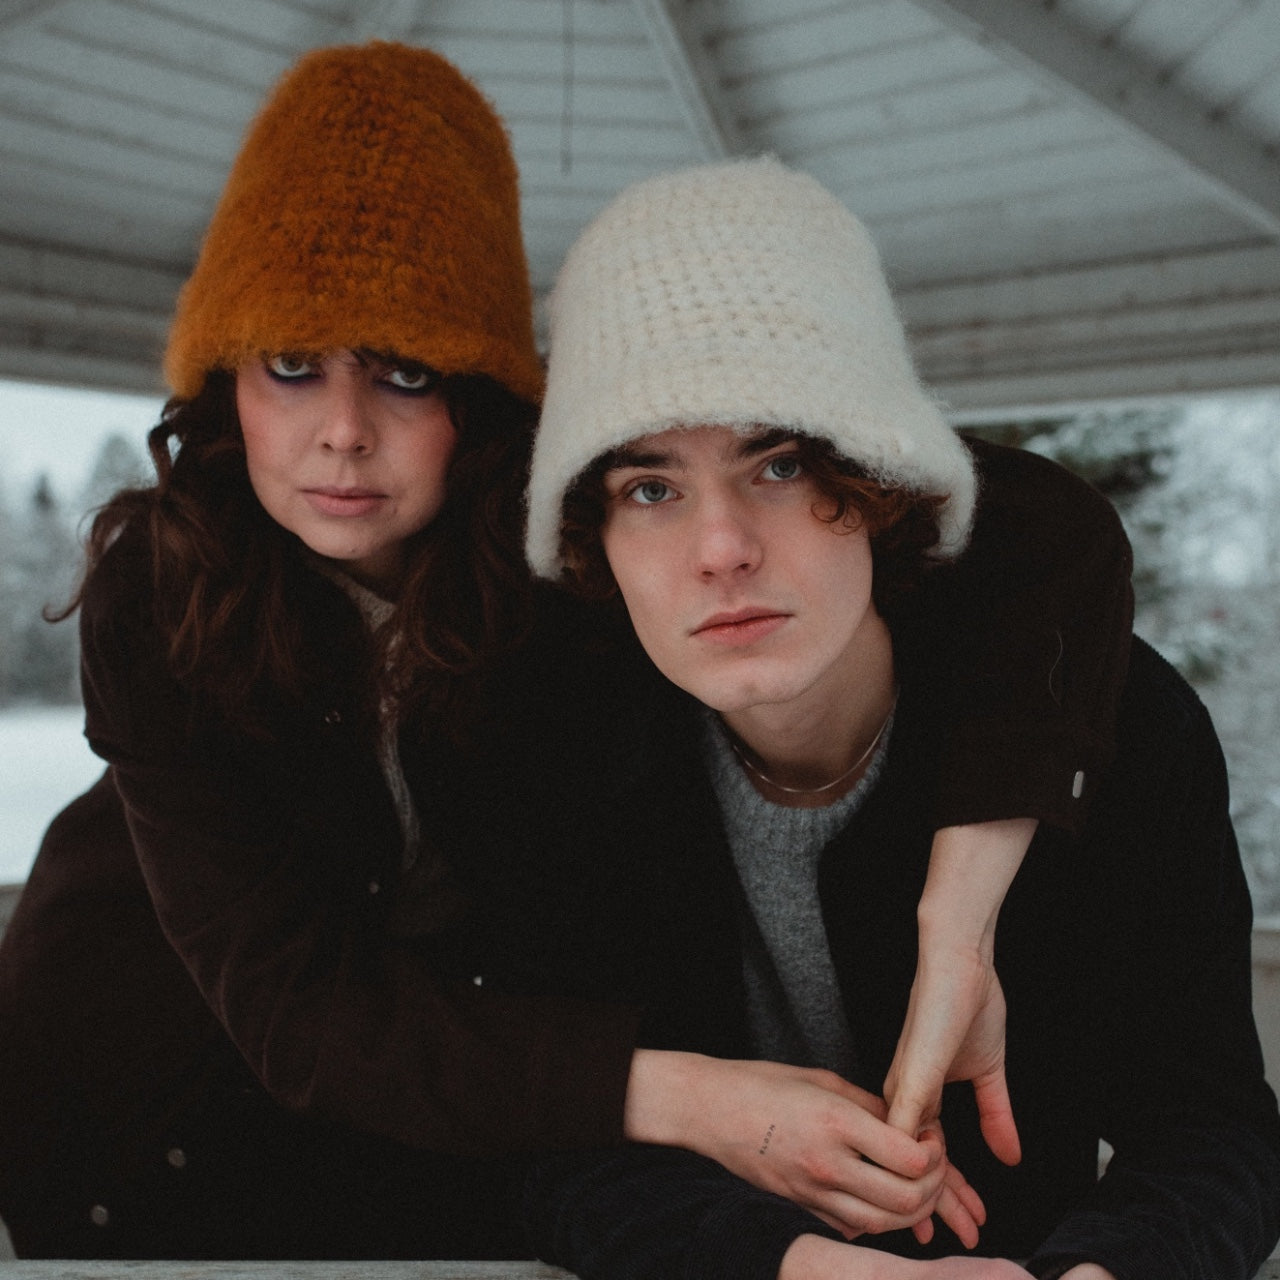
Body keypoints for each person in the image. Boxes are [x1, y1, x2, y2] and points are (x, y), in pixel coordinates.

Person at [0, 44, 1132, 1260]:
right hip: (129, 1089)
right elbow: (300, 1010)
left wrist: (957, 915)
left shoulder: (565, 541)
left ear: (480, 390)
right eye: (289, 365)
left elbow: (1033, 521)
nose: (341, 432)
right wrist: (699, 1097)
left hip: (440, 1120)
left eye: (404, 372)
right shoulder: (158, 590)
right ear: (224, 377)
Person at [495, 156, 1280, 1279]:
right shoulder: (564, 753)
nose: (720, 548)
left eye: (779, 463)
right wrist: (800, 1269)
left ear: (877, 478)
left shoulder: (1116, 726)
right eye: (650, 488)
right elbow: (553, 1151)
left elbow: (1213, 1128)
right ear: (595, 537)